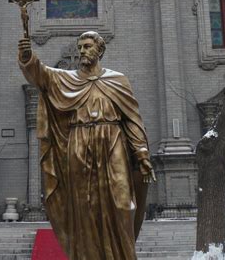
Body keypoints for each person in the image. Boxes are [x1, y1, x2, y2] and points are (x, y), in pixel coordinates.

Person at [18, 31, 155, 260]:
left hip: (113, 145)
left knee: (123, 204)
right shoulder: (67, 79)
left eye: (87, 46)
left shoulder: (117, 81)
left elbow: (132, 120)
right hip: (78, 145)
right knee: (84, 207)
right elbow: (41, 75)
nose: (82, 51)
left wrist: (141, 154)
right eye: (80, 47)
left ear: (99, 50)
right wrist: (27, 57)